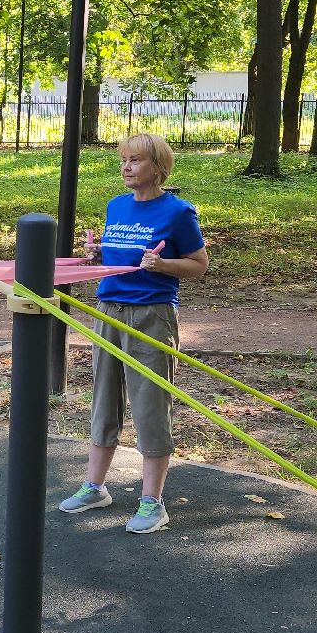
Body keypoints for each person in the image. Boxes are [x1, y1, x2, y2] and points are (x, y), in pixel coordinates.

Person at [57, 133, 208, 534]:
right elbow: (121, 254)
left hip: (151, 316)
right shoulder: (117, 205)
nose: (126, 167)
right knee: (104, 399)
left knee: (149, 405)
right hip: (109, 310)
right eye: (123, 160)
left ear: (158, 167)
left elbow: (198, 265)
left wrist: (163, 266)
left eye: (136, 160)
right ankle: (95, 487)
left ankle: (152, 502)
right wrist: (99, 255)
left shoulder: (178, 212)